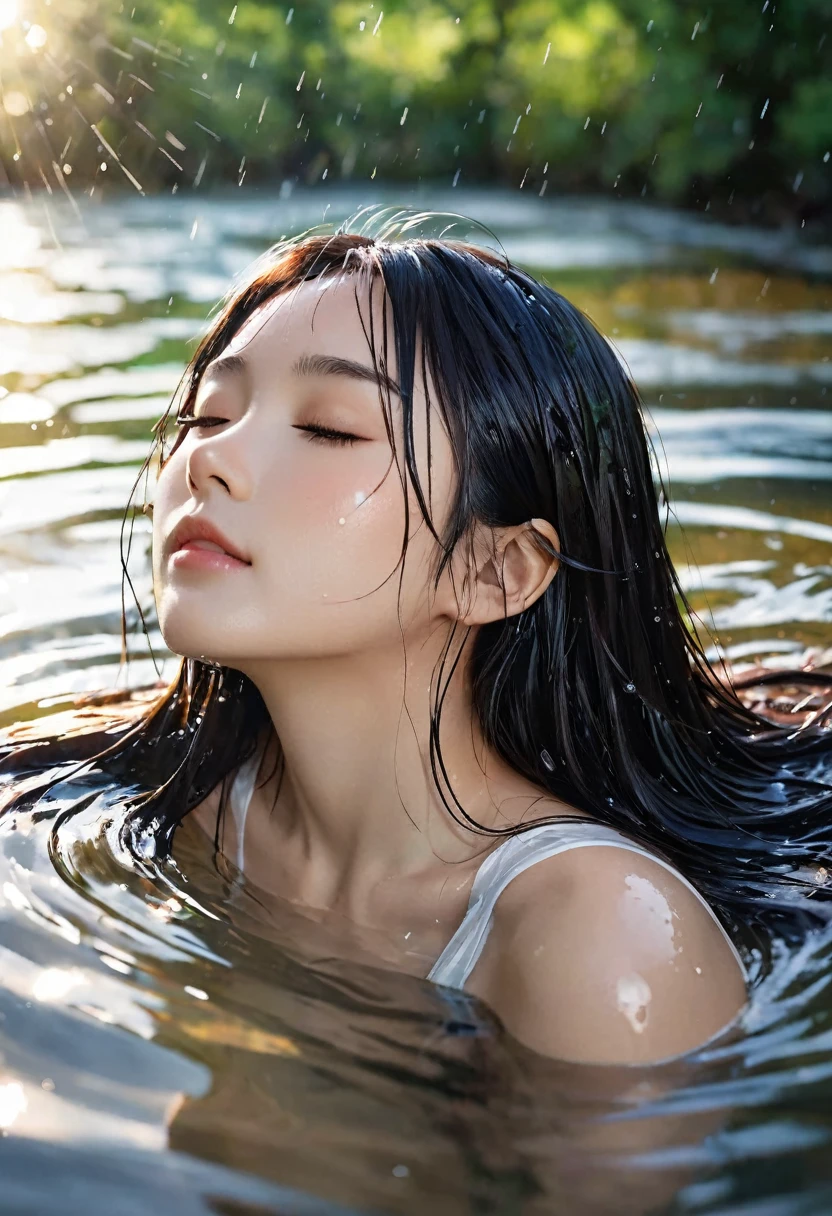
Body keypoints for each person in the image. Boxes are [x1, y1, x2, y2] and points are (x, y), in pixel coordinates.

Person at [2, 220, 830, 1067]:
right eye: (207, 412)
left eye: (328, 428)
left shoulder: (604, 944)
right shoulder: (187, 803)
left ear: (496, 569)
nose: (210, 459)